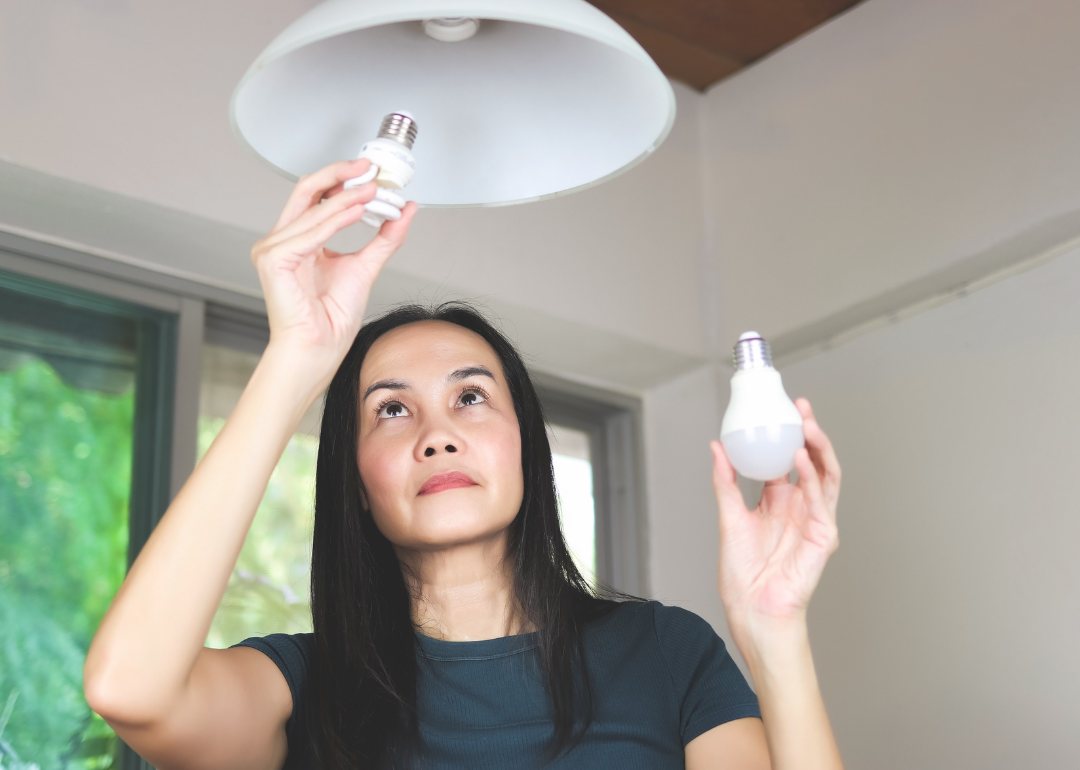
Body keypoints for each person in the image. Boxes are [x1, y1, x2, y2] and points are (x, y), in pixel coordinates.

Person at [84, 159, 844, 770]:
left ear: (526, 445)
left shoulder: (665, 653)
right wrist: (296, 358)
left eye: (471, 397)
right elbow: (130, 689)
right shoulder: (305, 687)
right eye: (390, 409)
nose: (436, 435)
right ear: (353, 477)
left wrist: (775, 632)